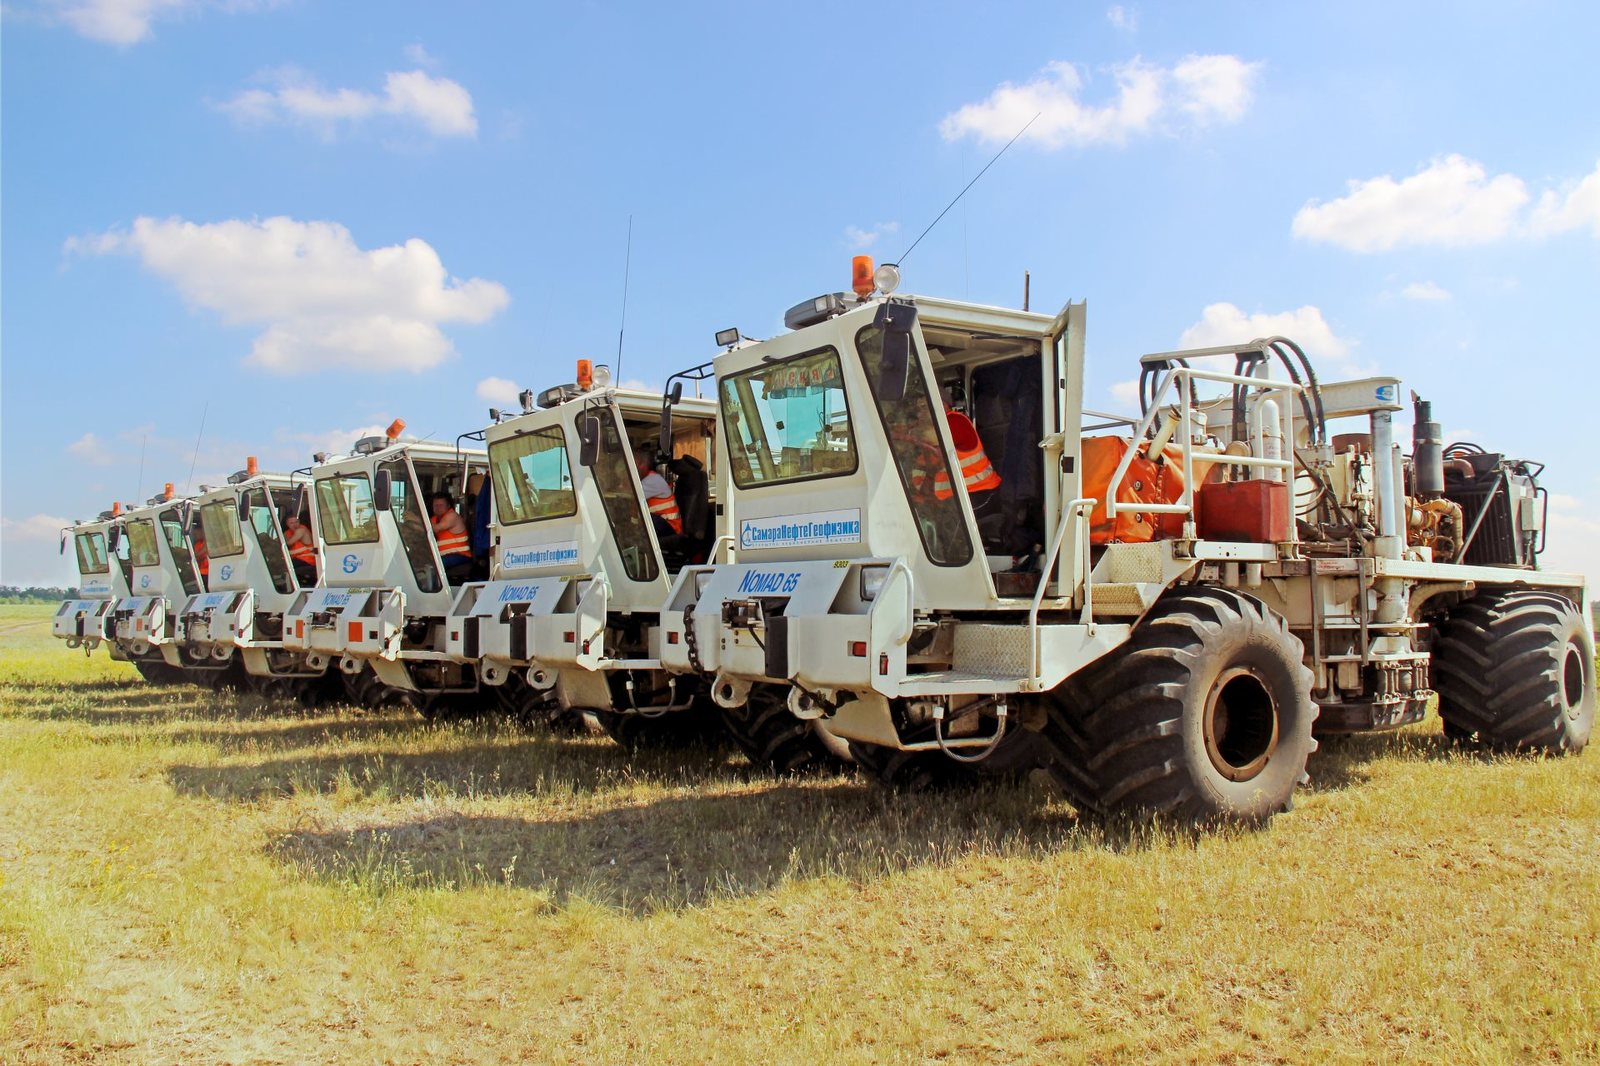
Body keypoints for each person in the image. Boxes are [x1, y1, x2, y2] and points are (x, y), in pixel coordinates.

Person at [933, 387, 1001, 500]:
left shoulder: (953, 421)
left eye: (924, 406)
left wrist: (905, 437)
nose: (920, 412)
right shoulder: (944, 424)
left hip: (977, 494)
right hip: (961, 497)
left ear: (942, 404)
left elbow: (931, 450)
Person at [634, 445, 682, 536]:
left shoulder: (653, 480)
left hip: (671, 526)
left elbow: (630, 494)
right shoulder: (645, 479)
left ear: (641, 463)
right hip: (662, 523)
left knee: (646, 519)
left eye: (633, 462)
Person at [430, 492, 474, 585]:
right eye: (435, 505)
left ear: (448, 505)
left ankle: (433, 591)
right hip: (445, 555)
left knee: (435, 565)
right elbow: (424, 530)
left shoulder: (452, 516)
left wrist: (416, 520)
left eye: (441, 505)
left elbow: (436, 528)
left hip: (459, 555)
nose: (438, 508)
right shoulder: (434, 520)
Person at [284, 513, 318, 587]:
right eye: (291, 523)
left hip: (307, 559)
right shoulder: (287, 533)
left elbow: (288, 544)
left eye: (296, 522)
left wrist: (289, 553)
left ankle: (290, 588)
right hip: (297, 558)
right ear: (287, 524)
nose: (295, 525)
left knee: (285, 567)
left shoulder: (301, 530)